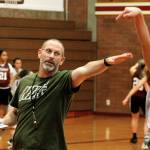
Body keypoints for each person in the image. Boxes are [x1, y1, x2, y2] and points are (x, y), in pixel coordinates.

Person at [0, 39, 133, 150]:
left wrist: (106, 62)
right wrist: (2, 123)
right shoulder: (25, 82)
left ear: (62, 60)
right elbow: (15, 114)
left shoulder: (63, 80)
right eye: (48, 51)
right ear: (39, 53)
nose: (51, 55)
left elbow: (85, 70)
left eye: (56, 53)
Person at [116, 7, 150, 149]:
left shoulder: (137, 72)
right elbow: (146, 44)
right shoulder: (144, 73)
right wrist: (139, 17)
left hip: (138, 96)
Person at [122, 59, 148, 144]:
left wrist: (138, 63)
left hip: (134, 97)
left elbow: (133, 67)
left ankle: (134, 137)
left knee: (134, 117)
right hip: (145, 98)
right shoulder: (146, 75)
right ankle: (146, 139)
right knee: (147, 119)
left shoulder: (133, 71)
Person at [0, 49, 14, 118]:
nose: (6, 57)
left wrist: (10, 85)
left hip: (6, 89)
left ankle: (3, 120)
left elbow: (12, 77)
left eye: (6, 55)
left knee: (5, 105)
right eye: (4, 55)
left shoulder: (8, 65)